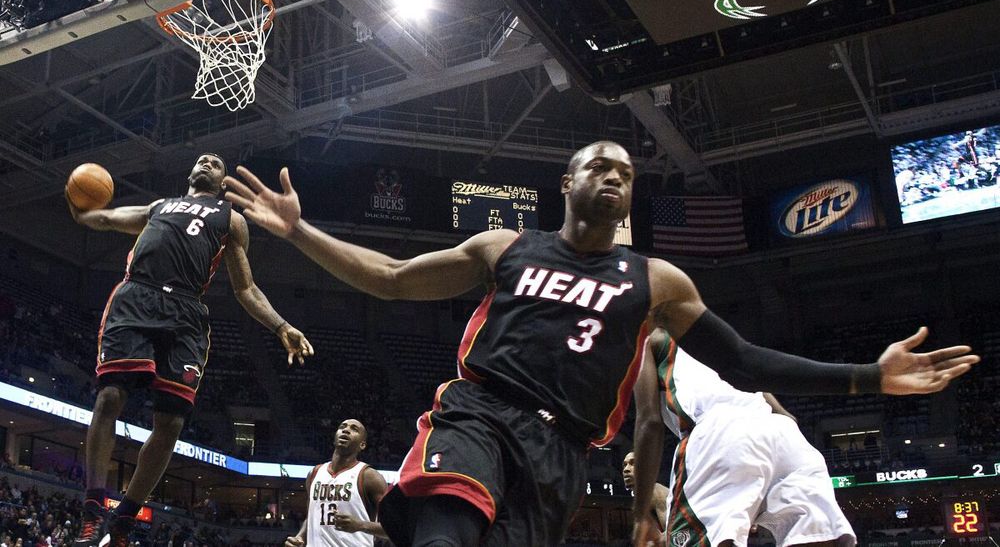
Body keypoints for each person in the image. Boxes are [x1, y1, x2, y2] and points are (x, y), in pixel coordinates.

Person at [223, 141, 977, 546]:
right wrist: (298, 231)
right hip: (478, 415)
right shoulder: (506, 246)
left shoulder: (658, 282)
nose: (615, 176)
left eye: (626, 171)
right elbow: (389, 277)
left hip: (562, 452)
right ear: (568, 180)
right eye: (601, 165)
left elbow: (744, 361)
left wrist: (867, 378)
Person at [67, 153, 314, 547]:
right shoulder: (158, 206)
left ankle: (125, 517)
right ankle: (93, 511)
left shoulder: (230, 219)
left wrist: (280, 325)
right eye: (203, 159)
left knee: (171, 423)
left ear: (222, 182)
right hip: (136, 296)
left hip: (186, 312)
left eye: (217, 163)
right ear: (190, 172)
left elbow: (245, 289)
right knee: (110, 396)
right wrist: (82, 215)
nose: (208, 161)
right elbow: (110, 218)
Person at [632, 329, 855, 547]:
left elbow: (649, 421)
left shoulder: (648, 339)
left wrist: (640, 515)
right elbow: (786, 416)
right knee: (816, 540)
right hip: (785, 434)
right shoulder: (716, 337)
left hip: (720, 432)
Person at [285, 419, 389, 547]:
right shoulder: (314, 473)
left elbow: (395, 529)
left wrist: (359, 525)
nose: (346, 430)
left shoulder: (370, 477)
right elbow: (312, 516)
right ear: (334, 438)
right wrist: (300, 537)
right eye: (342, 427)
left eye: (354, 429)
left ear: (362, 445)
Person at [622, 451, 667, 545]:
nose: (626, 469)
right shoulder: (642, 498)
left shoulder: (654, 490)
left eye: (632, 463)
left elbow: (676, 532)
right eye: (625, 465)